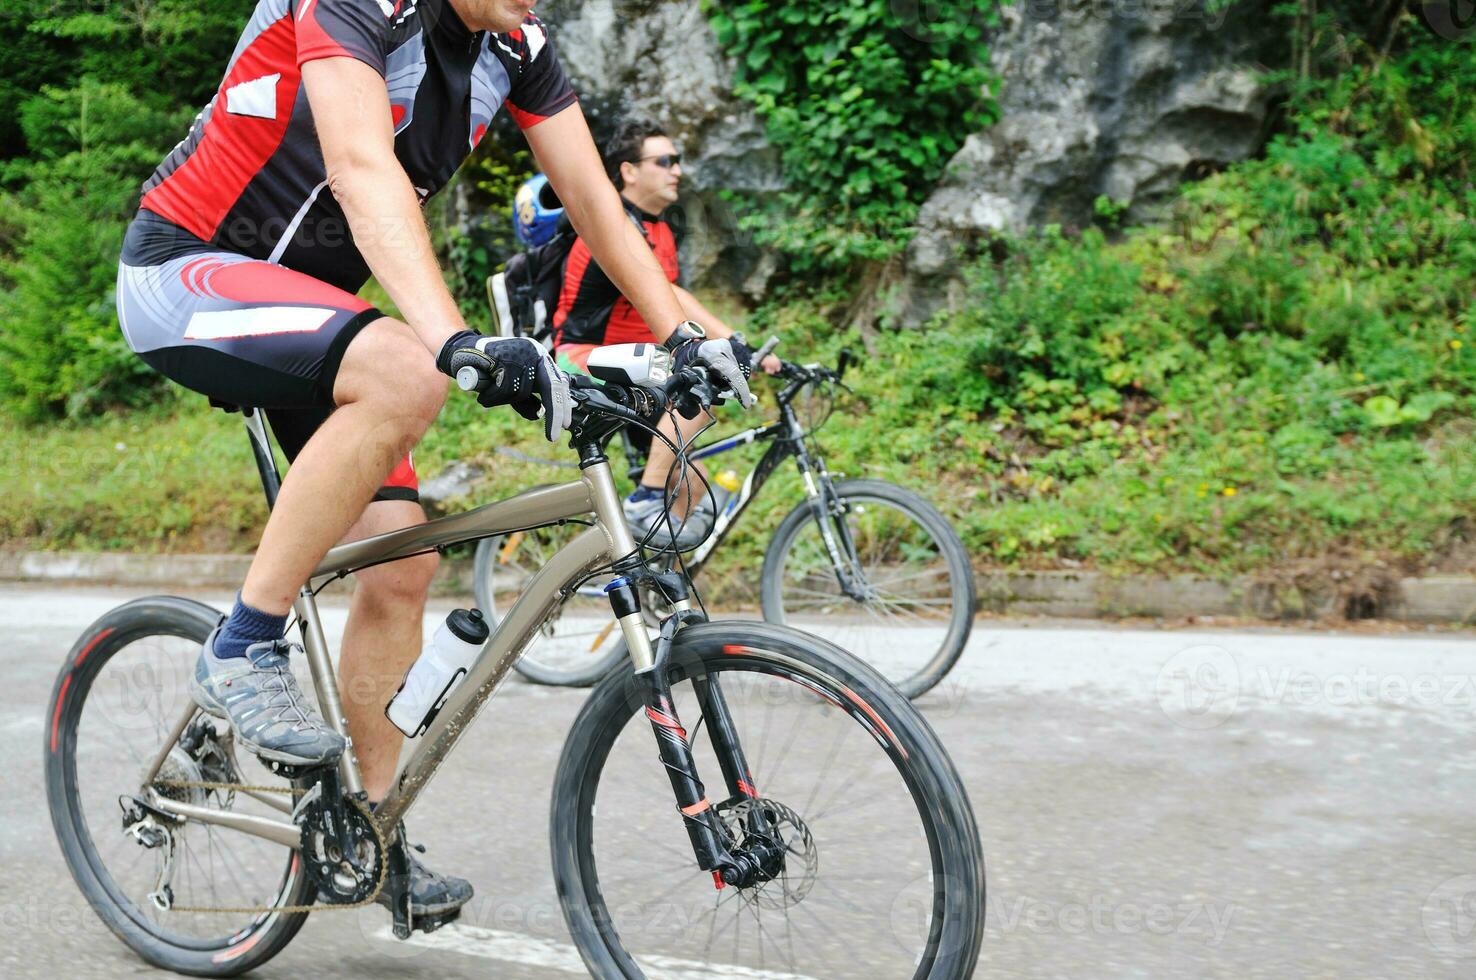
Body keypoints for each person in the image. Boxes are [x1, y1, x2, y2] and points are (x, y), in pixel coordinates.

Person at [113, 0, 750, 919]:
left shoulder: (518, 46)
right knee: (410, 372)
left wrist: (686, 336)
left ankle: (370, 833)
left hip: (311, 322)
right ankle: (244, 644)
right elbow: (362, 167)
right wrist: (451, 337)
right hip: (188, 271)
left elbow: (595, 207)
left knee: (405, 563)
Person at [549, 118, 781, 548]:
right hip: (584, 354)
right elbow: (670, 292)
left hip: (638, 361)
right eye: (665, 160)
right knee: (695, 390)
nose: (677, 170)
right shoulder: (612, 225)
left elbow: (676, 299)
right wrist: (732, 342)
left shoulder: (659, 229)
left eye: (678, 161)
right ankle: (645, 498)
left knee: (692, 491)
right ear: (629, 171)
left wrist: (736, 346)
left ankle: (663, 589)